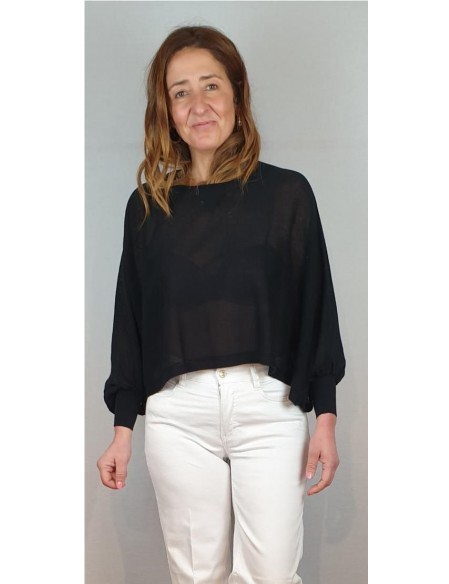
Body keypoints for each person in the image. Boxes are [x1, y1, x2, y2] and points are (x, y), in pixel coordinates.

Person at [97, 25, 346, 584]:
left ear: (236, 93)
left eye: (211, 86)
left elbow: (316, 304)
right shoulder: (148, 208)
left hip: (269, 405)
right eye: (180, 92)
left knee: (271, 573)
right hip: (177, 412)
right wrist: (122, 427)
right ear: (167, 111)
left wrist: (325, 416)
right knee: (196, 575)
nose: (198, 104)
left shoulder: (287, 194)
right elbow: (130, 318)